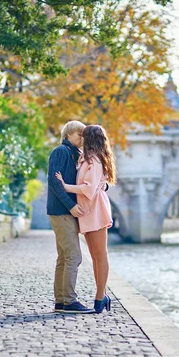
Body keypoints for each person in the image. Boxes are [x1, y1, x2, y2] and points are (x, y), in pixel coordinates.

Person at [56, 125, 116, 313]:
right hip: (88, 212)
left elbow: (89, 189)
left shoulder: (95, 160)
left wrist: (65, 187)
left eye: (83, 136)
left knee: (100, 254)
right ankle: (102, 295)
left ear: (89, 139)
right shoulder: (86, 159)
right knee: (95, 256)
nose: (80, 138)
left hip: (95, 210)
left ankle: (100, 297)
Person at [47, 121, 95, 314]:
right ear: (67, 135)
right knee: (74, 256)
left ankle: (61, 301)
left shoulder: (74, 155)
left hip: (62, 211)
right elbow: (54, 182)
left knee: (64, 257)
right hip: (62, 211)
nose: (82, 138)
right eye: (78, 134)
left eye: (83, 135)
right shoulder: (61, 152)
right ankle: (69, 301)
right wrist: (72, 205)